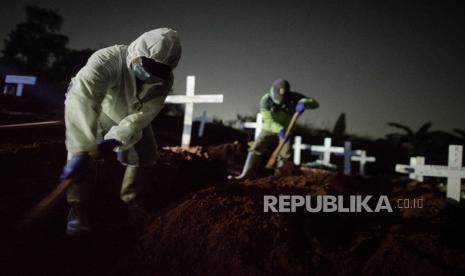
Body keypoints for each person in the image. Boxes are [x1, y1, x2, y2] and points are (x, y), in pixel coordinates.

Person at [60, 28, 182, 236]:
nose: (151, 76)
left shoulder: (164, 80)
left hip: (128, 115)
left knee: (147, 154)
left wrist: (115, 139)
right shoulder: (107, 60)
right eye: (148, 68)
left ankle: (130, 199)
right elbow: (82, 101)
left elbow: (144, 114)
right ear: (136, 53)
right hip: (97, 110)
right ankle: (78, 213)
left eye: (158, 72)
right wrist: (81, 149)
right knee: (84, 161)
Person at [235, 79, 319, 179]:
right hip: (269, 127)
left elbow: (315, 104)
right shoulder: (265, 100)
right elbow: (268, 121)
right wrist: (279, 129)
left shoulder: (294, 97)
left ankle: (278, 178)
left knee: (285, 153)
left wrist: (304, 103)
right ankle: (246, 174)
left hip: (287, 129)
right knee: (256, 147)